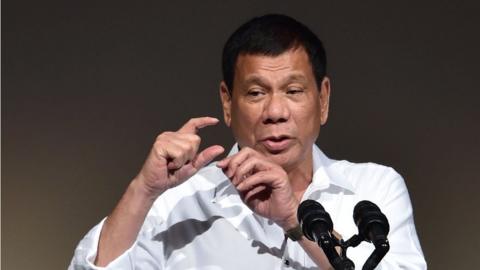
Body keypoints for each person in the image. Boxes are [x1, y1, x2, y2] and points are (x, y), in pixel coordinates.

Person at [69, 14, 426, 269]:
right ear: (228, 102)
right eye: (256, 93)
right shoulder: (178, 203)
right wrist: (143, 190)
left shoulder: (375, 189)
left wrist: (293, 223)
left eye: (293, 90)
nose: (275, 111)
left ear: (324, 99)